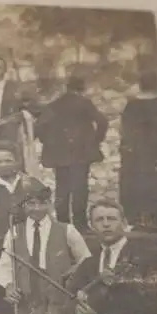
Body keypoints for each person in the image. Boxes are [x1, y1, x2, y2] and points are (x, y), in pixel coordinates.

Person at [67, 200, 157, 314]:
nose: (106, 224)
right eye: (99, 219)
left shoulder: (146, 254)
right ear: (91, 226)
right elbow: (70, 300)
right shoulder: (87, 264)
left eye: (111, 219)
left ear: (124, 223)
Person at [0, 141, 46, 314]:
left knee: (27, 288)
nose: (4, 165)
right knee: (0, 293)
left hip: (26, 245)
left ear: (17, 161)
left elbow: (45, 212)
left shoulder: (31, 183)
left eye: (8, 160)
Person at [0, 187, 91, 314]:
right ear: (23, 205)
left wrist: (74, 272)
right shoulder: (14, 232)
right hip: (27, 305)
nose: (37, 208)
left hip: (59, 305)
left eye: (43, 203)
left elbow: (87, 262)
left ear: (50, 204)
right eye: (31, 203)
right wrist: (9, 285)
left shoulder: (67, 230)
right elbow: (5, 265)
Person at [35, 76, 108, 231]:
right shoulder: (85, 104)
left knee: (62, 188)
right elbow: (102, 122)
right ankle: (80, 224)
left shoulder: (54, 105)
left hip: (60, 154)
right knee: (80, 187)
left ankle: (62, 222)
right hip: (81, 153)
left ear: (66, 88)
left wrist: (50, 143)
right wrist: (95, 141)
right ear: (82, 88)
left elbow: (40, 126)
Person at [119, 73, 157, 228]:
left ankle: (137, 217)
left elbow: (126, 131)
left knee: (136, 183)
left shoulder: (132, 107)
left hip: (135, 154)